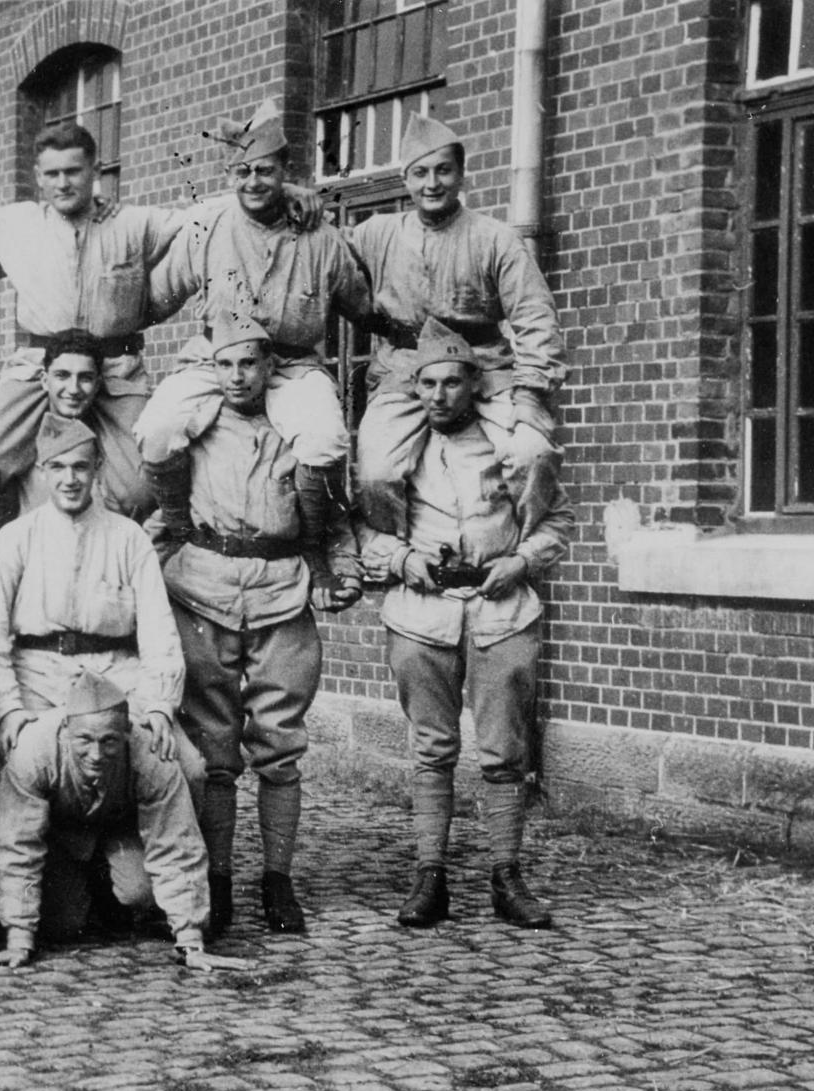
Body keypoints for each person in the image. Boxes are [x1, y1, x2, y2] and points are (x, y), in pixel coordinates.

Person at [0, 122, 321, 528]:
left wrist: (283, 192)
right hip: (40, 365)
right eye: (52, 174)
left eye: (73, 171)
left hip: (115, 370)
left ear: (95, 171)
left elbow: (202, 215)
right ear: (38, 176)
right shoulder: (17, 223)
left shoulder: (134, 223)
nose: (63, 183)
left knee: (140, 488)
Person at [138, 319, 363, 938]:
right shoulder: (196, 428)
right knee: (214, 750)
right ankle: (216, 880)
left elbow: (333, 514)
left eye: (248, 364)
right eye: (225, 365)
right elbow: (162, 505)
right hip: (204, 592)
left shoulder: (299, 429)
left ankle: (277, 880)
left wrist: (341, 571)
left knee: (280, 747)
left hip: (281, 593)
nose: (237, 377)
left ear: (269, 367)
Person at [355, 320, 573, 930]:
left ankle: (507, 876)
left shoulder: (507, 443)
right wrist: (401, 560)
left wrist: (520, 561)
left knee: (504, 751)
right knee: (432, 750)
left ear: (474, 384)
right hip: (421, 614)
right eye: (427, 383)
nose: (439, 395)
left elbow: (557, 520)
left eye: (452, 382)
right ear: (415, 388)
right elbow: (364, 528)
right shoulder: (396, 450)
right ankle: (430, 876)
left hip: (501, 609)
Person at [142, 102, 373, 506]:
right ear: (228, 175)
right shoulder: (207, 225)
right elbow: (155, 299)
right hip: (216, 360)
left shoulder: (322, 238)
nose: (253, 182)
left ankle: (321, 536)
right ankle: (177, 526)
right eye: (242, 172)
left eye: (265, 171)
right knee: (157, 429)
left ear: (286, 171)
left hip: (291, 366)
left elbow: (363, 308)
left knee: (325, 440)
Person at [349, 112, 566, 538]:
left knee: (532, 453)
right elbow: (325, 252)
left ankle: (522, 551)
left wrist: (530, 394)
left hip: (486, 368)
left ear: (461, 175)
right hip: (404, 368)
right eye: (420, 173)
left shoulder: (495, 238)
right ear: (405, 180)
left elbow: (535, 317)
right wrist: (295, 199)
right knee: (375, 474)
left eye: (444, 171)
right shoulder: (377, 234)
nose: (432, 184)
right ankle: (398, 555)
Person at [0, 419, 198, 784]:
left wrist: (158, 706)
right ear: (41, 471)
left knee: (188, 768)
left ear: (98, 469)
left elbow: (160, 634)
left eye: (80, 467)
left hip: (116, 675)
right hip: (36, 677)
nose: (70, 479)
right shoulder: (14, 539)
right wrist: (9, 708)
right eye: (58, 467)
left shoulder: (129, 538)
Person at [0, 670, 247, 973]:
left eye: (109, 741)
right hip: (61, 837)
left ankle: (110, 881)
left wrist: (191, 942)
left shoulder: (152, 752)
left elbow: (176, 841)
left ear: (127, 731)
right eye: (84, 740)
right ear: (65, 728)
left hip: (122, 832)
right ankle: (88, 887)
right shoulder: (33, 750)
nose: (96, 754)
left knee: (140, 892)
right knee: (62, 925)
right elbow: (14, 842)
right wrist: (18, 938)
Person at [0, 330, 153, 522]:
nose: (73, 389)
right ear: (45, 381)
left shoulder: (112, 449)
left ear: (97, 384)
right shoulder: (21, 448)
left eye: (85, 378)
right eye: (62, 376)